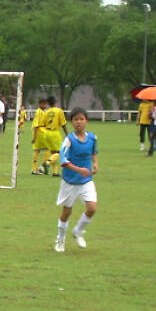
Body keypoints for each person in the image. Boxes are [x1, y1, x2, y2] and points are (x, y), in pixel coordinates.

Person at [54, 107, 98, 252]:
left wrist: (95, 163)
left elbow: (93, 152)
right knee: (66, 212)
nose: (79, 122)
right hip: (70, 182)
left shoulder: (92, 138)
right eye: (75, 119)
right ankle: (60, 239)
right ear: (72, 122)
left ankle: (78, 231)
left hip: (86, 181)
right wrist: (79, 170)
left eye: (81, 119)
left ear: (86, 121)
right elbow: (63, 161)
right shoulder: (69, 140)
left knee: (92, 208)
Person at [40, 96, 68, 176]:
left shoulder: (47, 112)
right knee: (60, 152)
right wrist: (67, 135)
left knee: (53, 153)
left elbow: (44, 123)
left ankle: (55, 172)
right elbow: (63, 124)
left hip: (47, 133)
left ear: (48, 103)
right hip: (54, 133)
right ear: (55, 102)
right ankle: (47, 163)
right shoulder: (59, 111)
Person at [31, 98, 49, 174]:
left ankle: (34, 169)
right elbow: (36, 125)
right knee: (49, 148)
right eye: (44, 104)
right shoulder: (38, 112)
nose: (45, 105)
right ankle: (43, 166)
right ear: (40, 104)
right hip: (40, 132)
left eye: (46, 104)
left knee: (37, 150)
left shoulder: (43, 112)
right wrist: (34, 137)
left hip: (42, 131)